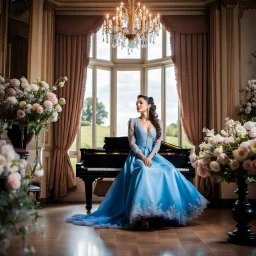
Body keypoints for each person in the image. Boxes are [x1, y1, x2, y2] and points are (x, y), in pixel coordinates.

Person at [66, 95, 209, 229]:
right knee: (144, 171)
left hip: (153, 156)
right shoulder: (132, 121)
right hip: (136, 156)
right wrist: (143, 157)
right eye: (137, 103)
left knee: (170, 170)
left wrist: (150, 157)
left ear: (148, 105)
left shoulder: (158, 123)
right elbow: (132, 143)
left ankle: (165, 214)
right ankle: (142, 216)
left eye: (141, 102)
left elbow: (158, 144)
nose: (138, 105)